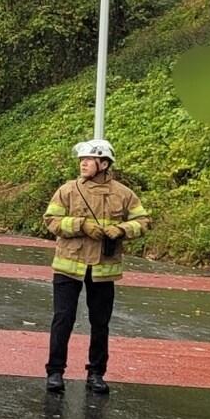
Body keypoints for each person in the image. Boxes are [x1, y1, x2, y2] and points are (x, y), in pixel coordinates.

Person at [42, 139, 151, 395]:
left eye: (88, 160)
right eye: (81, 160)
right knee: (63, 319)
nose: (83, 164)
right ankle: (55, 372)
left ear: (103, 164)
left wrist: (121, 229)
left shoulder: (123, 194)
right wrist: (80, 225)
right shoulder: (68, 190)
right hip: (69, 266)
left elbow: (144, 221)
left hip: (103, 269)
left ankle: (96, 373)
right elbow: (51, 220)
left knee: (100, 323)